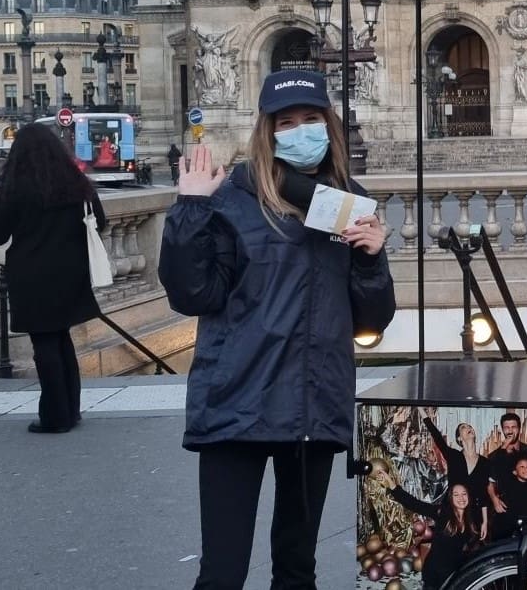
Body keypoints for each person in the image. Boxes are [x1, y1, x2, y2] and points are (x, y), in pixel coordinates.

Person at [158, 69, 396, 590]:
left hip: (313, 404)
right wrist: (190, 207)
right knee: (222, 573)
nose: (299, 131)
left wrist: (373, 261)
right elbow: (192, 295)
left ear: (328, 125)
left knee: (296, 568)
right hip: (237, 401)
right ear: (267, 131)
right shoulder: (232, 198)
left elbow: (371, 320)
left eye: (311, 119)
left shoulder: (349, 204)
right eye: (286, 122)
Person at [0, 121, 105, 434]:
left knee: (45, 343)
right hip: (71, 272)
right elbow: (100, 222)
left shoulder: (17, 187)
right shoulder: (76, 183)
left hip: (32, 273)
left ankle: (55, 415)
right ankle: (71, 410)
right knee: (62, 338)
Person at [368, 468, 482, 590]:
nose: (461, 498)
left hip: (455, 572)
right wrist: (392, 484)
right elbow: (414, 504)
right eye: (456, 494)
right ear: (451, 498)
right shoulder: (442, 513)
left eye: (464, 494)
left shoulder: (472, 519)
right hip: (436, 572)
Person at [421, 408, 491, 539]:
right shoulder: (454, 456)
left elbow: (483, 494)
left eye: (470, 426)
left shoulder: (484, 462)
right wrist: (420, 409)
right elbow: (436, 435)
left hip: (472, 515)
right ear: (459, 437)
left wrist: (485, 522)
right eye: (464, 427)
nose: (469, 428)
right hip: (451, 514)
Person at [485, 411, 527, 533]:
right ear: (502, 430)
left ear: (519, 429)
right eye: (506, 427)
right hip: (506, 508)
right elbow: (490, 483)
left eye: (513, 427)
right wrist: (495, 500)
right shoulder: (494, 456)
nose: (510, 431)